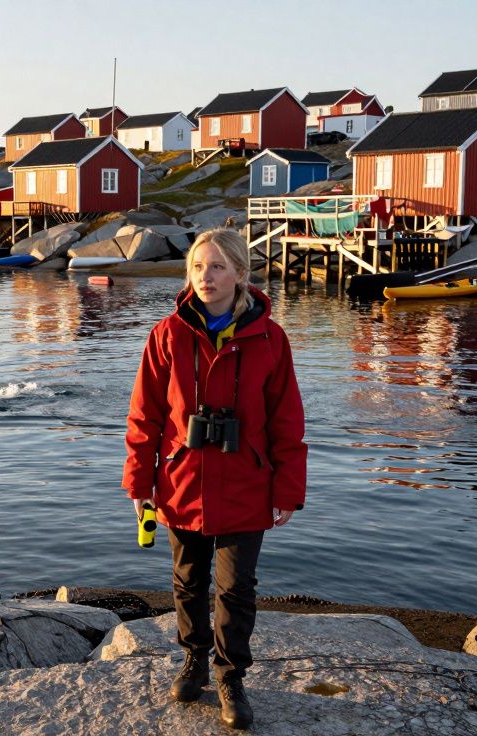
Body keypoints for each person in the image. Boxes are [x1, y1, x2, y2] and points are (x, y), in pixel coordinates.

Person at [123, 228, 307, 730]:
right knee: (187, 581)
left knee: (236, 588)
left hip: (247, 484)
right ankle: (194, 661)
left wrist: (288, 490)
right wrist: (139, 482)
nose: (206, 276)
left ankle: (230, 676)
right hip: (182, 480)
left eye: (218, 266)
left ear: (240, 274)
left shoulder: (270, 338)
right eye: (198, 267)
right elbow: (145, 416)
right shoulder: (167, 334)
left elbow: (287, 420)